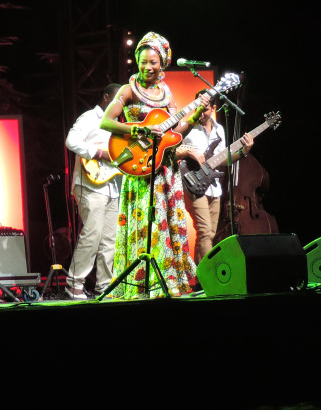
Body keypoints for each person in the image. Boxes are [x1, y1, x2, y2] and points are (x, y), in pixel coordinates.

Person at [99, 31, 207, 299]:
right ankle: (141, 280)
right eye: (143, 61)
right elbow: (106, 122)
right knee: (146, 221)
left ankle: (168, 279)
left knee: (168, 220)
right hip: (141, 166)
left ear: (163, 64)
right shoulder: (128, 90)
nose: (147, 67)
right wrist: (137, 131)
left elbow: (176, 131)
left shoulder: (167, 94)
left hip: (165, 167)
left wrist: (194, 114)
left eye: (153, 62)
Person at [176, 90, 254, 267]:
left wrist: (242, 152)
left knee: (210, 233)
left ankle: (200, 281)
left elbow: (223, 160)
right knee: (205, 232)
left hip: (214, 185)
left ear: (214, 108)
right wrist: (188, 151)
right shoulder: (188, 126)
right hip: (192, 183)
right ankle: (209, 279)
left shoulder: (219, 129)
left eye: (205, 109)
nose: (201, 113)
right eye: (198, 108)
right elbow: (172, 151)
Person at [64, 83, 123, 300]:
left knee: (110, 239)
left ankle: (104, 287)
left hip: (113, 186)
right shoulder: (89, 117)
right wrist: (98, 153)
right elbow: (71, 141)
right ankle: (74, 283)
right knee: (92, 234)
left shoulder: (119, 125)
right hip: (89, 184)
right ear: (106, 97)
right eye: (118, 99)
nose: (121, 105)